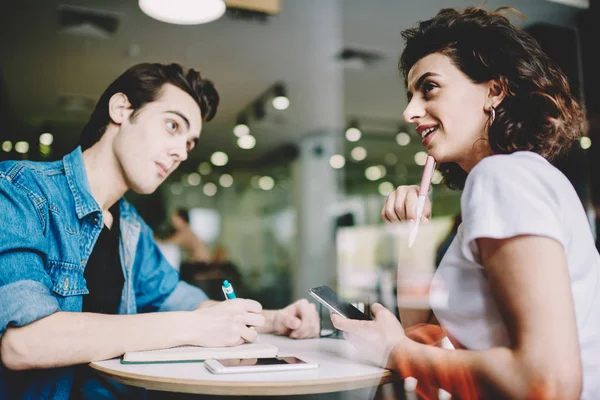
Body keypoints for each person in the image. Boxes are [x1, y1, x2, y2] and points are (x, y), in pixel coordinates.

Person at [0, 63, 320, 400]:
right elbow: (25, 343)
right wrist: (191, 326)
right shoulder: (21, 190)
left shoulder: (131, 229)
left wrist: (272, 319)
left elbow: (185, 301)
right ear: (121, 109)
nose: (181, 152)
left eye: (189, 143)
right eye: (172, 126)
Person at [332, 7, 600, 399]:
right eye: (410, 96)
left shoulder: (503, 178)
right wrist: (412, 235)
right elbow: (421, 330)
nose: (409, 112)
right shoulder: (516, 178)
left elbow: (550, 383)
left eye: (430, 88)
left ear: (495, 90)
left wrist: (394, 350)